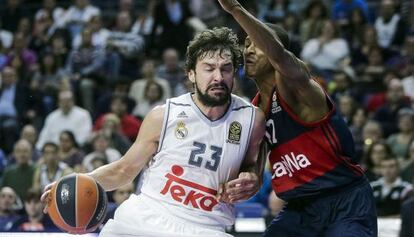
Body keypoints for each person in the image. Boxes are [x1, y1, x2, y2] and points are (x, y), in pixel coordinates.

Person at [42, 27, 265, 237]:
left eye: (225, 69)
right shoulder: (163, 114)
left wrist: (251, 178)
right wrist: (77, 182)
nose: (218, 76)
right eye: (209, 68)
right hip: (144, 219)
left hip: (205, 227)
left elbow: (251, 168)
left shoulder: (251, 119)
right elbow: (123, 170)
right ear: (191, 74)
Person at [217, 0, 377, 236]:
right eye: (246, 44)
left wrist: (234, 9)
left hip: (344, 200)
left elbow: (280, 56)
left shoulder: (298, 85)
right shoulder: (254, 110)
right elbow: (255, 164)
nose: (247, 50)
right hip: (300, 208)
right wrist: (249, 177)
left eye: (255, 44)